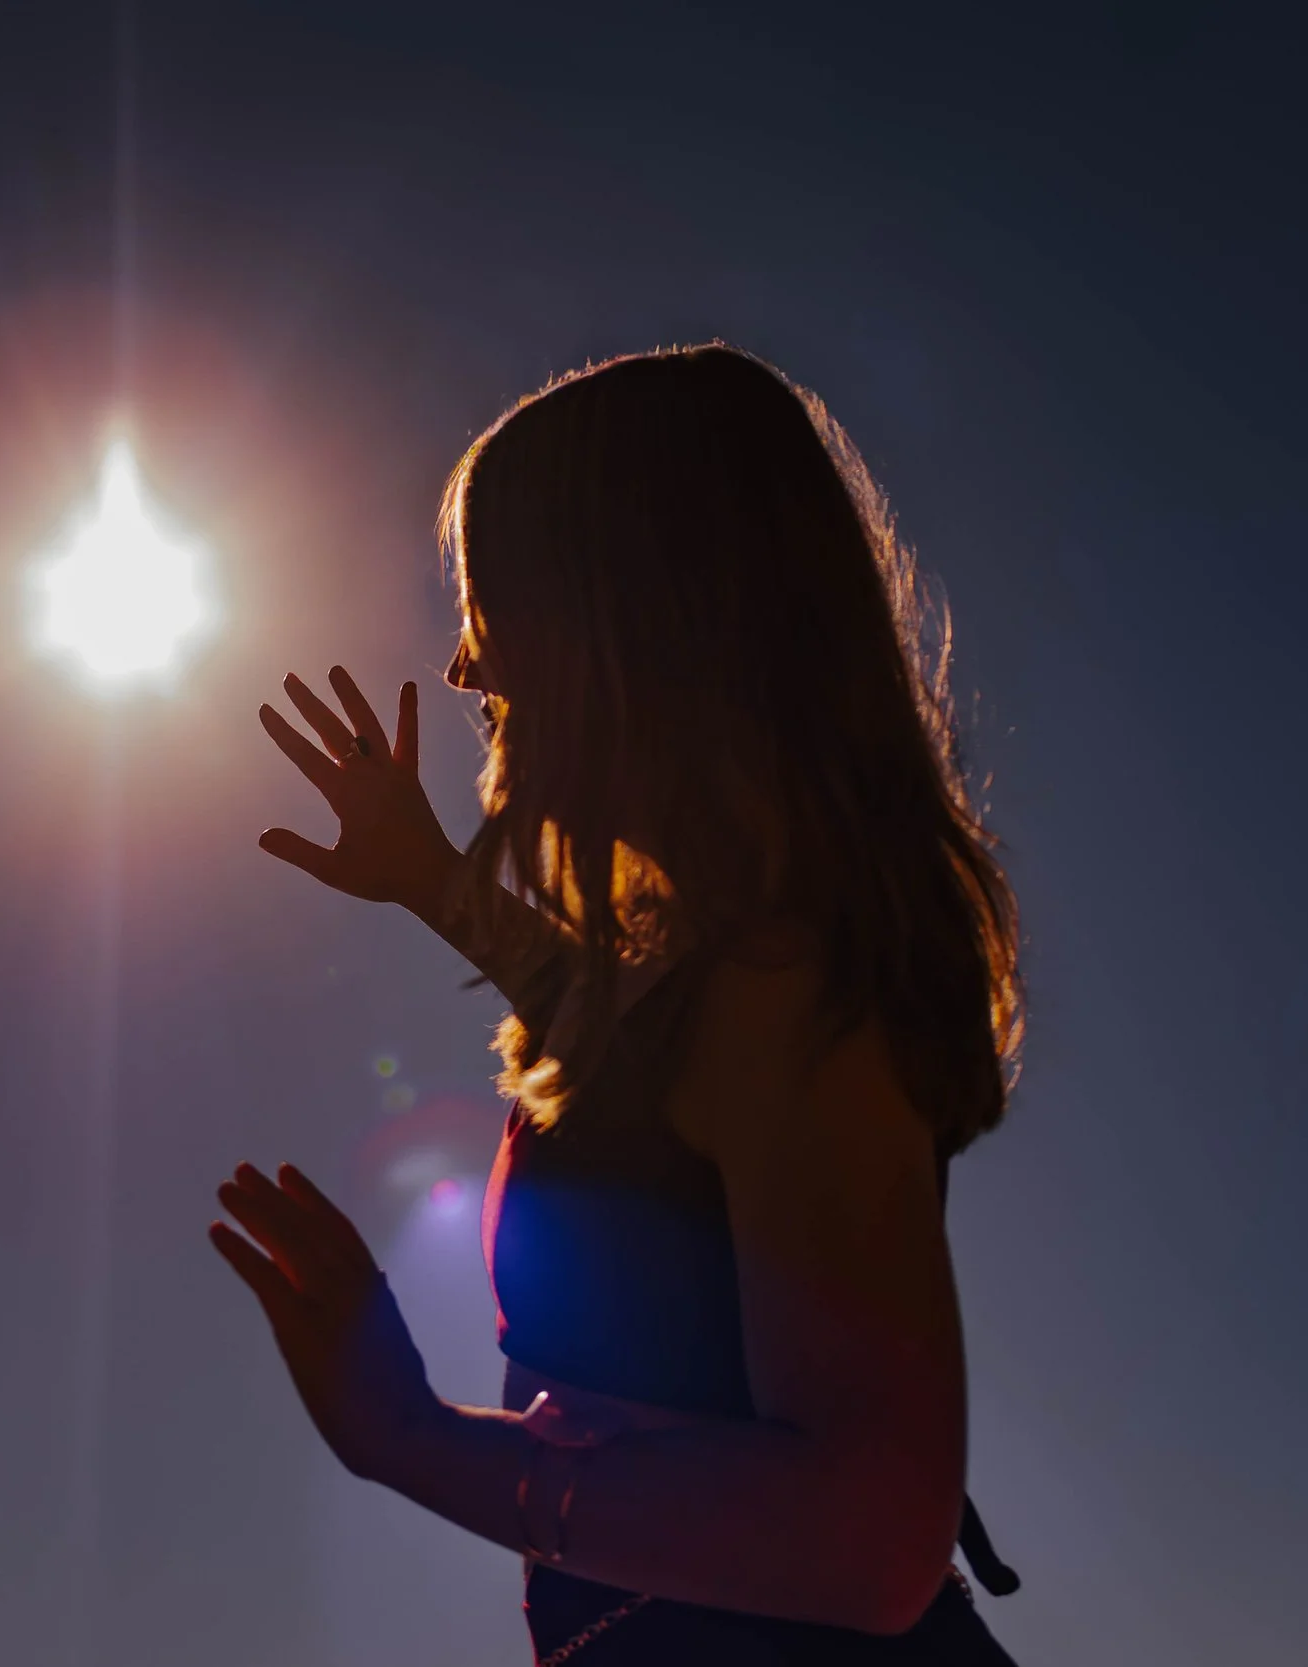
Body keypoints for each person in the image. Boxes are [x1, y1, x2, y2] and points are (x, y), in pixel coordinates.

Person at [222, 345, 1023, 1662]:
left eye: (498, 607)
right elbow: (638, 1060)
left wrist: (406, 1439)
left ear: (634, 627)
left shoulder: (788, 995)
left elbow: (873, 1541)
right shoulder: (737, 991)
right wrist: (433, 879)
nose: (472, 669)